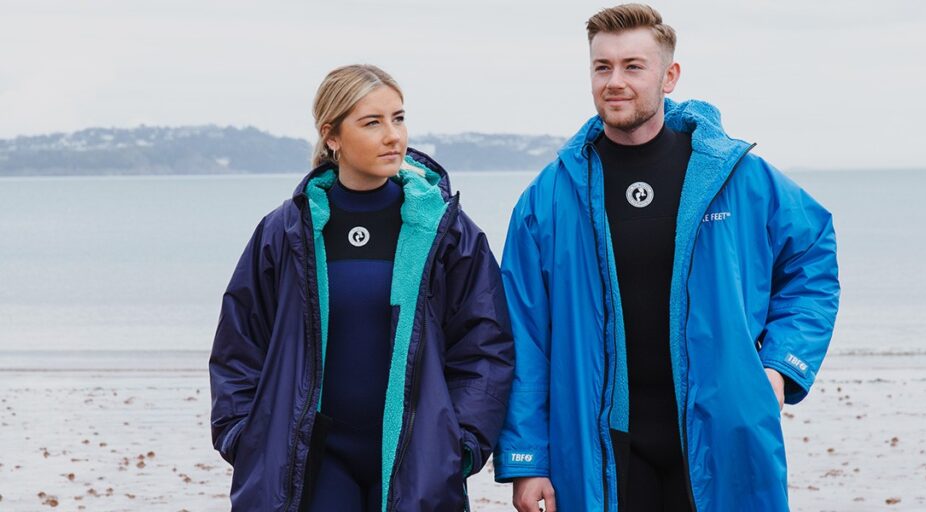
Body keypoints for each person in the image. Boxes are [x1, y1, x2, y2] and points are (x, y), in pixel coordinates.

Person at [494, 4, 840, 511]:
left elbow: (812, 258)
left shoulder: (735, 177)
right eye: (602, 67)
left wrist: (779, 368)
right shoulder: (549, 197)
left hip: (722, 431)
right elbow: (523, 333)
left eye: (634, 66)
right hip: (598, 445)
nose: (615, 81)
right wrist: (529, 460)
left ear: (669, 75)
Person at [209, 64, 515, 512]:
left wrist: (463, 442)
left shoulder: (444, 231)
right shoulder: (287, 231)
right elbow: (240, 343)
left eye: (398, 118)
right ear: (332, 136)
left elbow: (485, 344)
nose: (393, 135)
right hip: (315, 456)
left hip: (419, 455)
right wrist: (243, 435)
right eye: (372, 122)